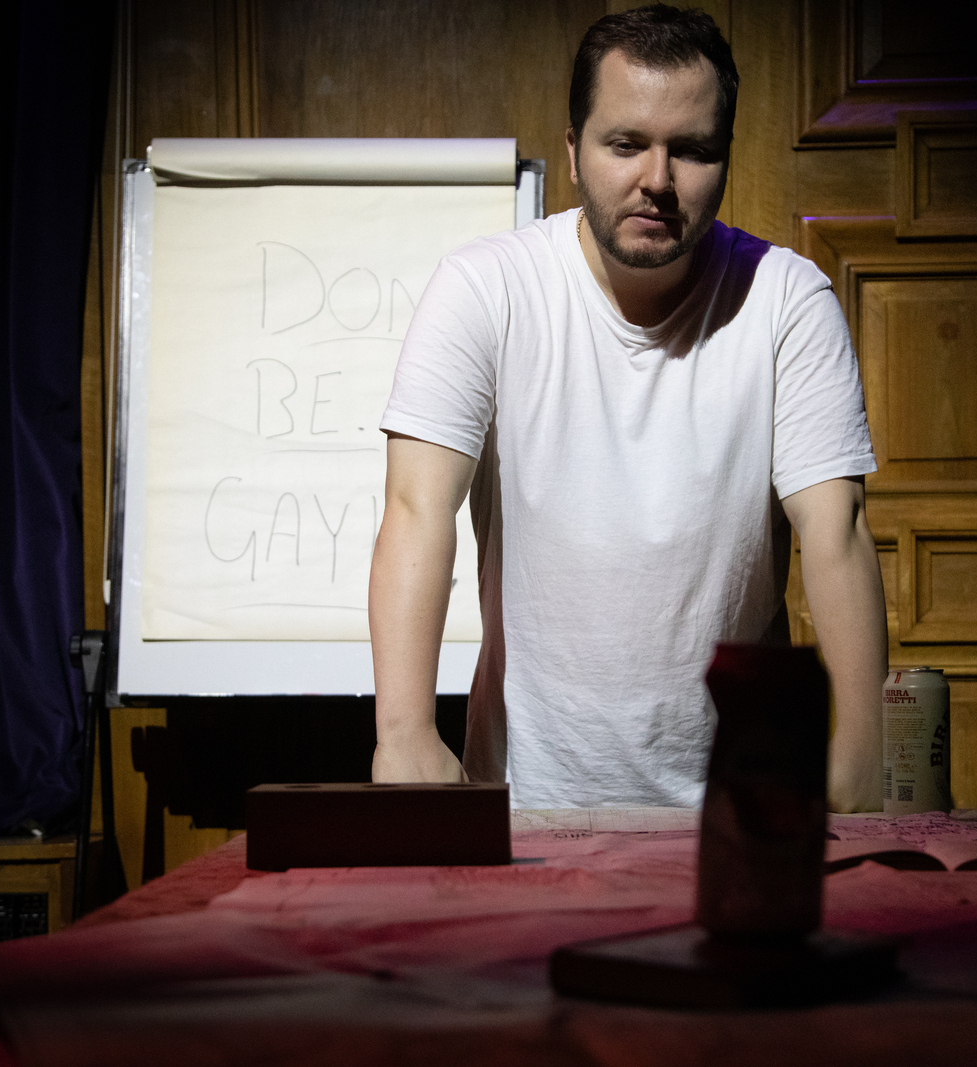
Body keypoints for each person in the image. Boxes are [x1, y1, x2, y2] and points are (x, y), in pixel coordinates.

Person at [370, 4, 887, 811]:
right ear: (574, 149)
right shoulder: (485, 287)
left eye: (692, 150)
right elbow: (415, 506)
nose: (657, 179)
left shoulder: (787, 299)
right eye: (625, 144)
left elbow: (838, 530)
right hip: (528, 804)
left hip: (742, 812)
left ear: (725, 155)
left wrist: (860, 751)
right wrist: (403, 735)